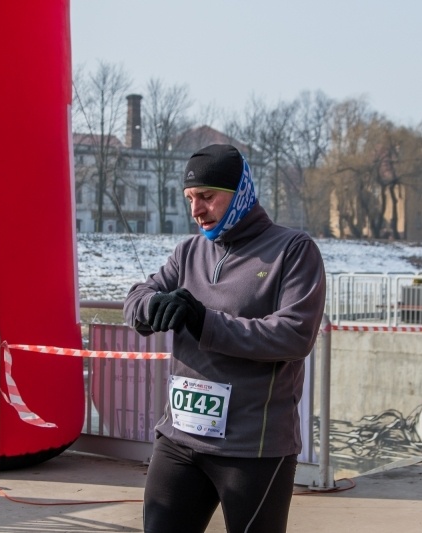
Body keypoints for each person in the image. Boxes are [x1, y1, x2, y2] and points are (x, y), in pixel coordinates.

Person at [123, 144, 327, 533]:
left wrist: (205, 322)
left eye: (207, 197)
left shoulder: (294, 250)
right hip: (179, 438)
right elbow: (135, 299)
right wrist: (155, 306)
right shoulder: (188, 252)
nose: (196, 210)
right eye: (190, 199)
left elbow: (294, 335)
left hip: (253, 448)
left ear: (242, 192)